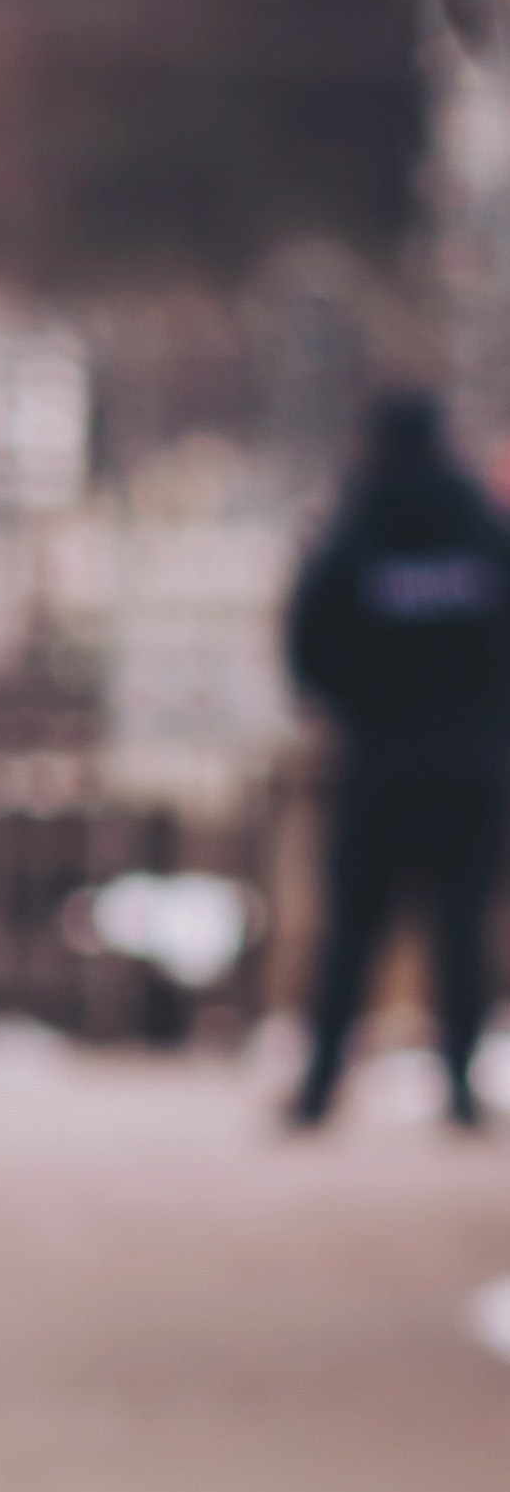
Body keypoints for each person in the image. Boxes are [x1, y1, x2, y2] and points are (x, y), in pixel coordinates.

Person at [286, 389, 510, 1128]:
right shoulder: (480, 529)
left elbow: (306, 638)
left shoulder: (357, 527)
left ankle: (320, 1087)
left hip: (375, 761)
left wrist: (355, 706)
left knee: (351, 932)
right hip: (470, 763)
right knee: (461, 931)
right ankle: (458, 1090)